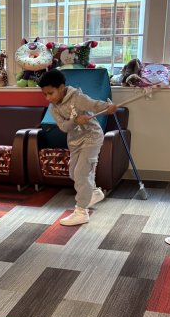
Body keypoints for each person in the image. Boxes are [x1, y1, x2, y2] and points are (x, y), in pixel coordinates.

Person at [39, 69, 118, 226]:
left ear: (61, 87)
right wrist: (75, 121)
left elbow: (95, 105)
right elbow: (63, 127)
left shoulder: (77, 97)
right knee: (74, 174)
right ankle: (94, 192)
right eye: (44, 94)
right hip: (74, 141)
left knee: (82, 173)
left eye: (50, 93)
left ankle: (81, 212)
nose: (48, 98)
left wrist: (108, 107)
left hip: (91, 137)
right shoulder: (53, 108)